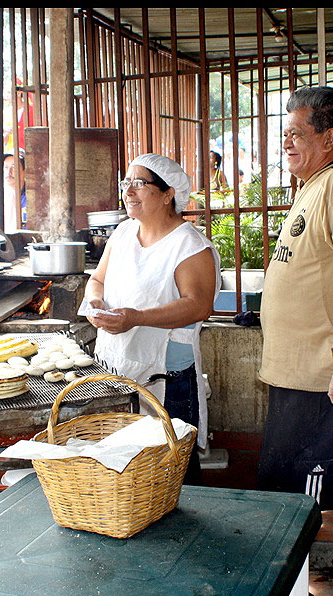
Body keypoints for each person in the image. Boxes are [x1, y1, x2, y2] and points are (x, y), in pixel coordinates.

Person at [256, 86, 333, 511]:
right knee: (282, 496)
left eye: (296, 134)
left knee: (315, 507)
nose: (286, 143)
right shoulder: (315, 182)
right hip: (294, 373)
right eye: (285, 134)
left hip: (321, 377)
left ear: (330, 138)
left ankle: (324, 556)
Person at [84, 154, 221, 484]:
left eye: (139, 183)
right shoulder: (123, 233)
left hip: (167, 375)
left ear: (168, 194)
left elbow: (198, 306)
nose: (128, 191)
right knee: (127, 466)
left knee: (172, 467)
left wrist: (137, 318)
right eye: (126, 183)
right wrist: (95, 302)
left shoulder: (189, 245)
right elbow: (97, 279)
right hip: (117, 364)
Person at [2, 150, 26, 233]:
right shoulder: (0, 195)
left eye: (14, 167)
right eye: (6, 167)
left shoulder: (32, 196)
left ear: (25, 171)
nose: (9, 172)